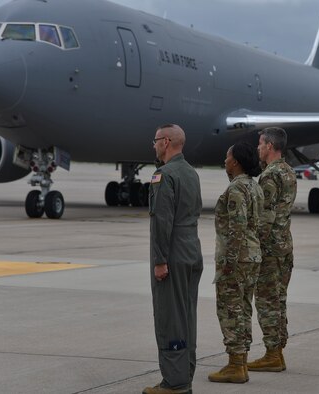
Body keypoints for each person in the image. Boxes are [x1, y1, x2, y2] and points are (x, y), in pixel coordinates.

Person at [143, 124, 203, 394]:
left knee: (170, 317)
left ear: (166, 142)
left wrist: (159, 260)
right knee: (187, 316)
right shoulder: (191, 173)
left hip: (173, 254)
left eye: (155, 140)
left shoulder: (164, 175)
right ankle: (185, 374)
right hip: (192, 251)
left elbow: (162, 221)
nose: (153, 145)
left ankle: (175, 383)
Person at [208, 142, 264, 384]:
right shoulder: (255, 187)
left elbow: (237, 227)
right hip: (252, 256)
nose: (225, 161)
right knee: (243, 308)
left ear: (237, 162)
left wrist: (229, 261)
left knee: (230, 310)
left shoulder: (237, 189)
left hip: (237, 258)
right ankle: (241, 361)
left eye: (228, 157)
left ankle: (235, 364)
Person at [249, 127, 297, 372]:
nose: (258, 148)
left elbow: (264, 218)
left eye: (260, 144)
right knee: (279, 299)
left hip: (270, 250)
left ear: (269, 146)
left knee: (267, 301)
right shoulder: (288, 172)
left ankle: (272, 354)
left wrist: (253, 248)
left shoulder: (269, 176)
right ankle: (278, 349)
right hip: (285, 246)